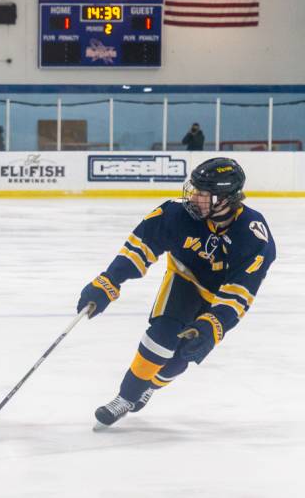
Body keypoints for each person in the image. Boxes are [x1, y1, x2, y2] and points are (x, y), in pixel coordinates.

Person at [77, 157, 275, 429]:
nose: (194, 197)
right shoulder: (175, 214)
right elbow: (139, 249)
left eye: (203, 194)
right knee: (161, 336)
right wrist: (109, 281)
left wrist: (214, 325)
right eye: (194, 189)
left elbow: (239, 292)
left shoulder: (253, 234)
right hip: (184, 278)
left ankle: (149, 386)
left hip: (218, 299)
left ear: (225, 198)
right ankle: (126, 396)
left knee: (181, 358)